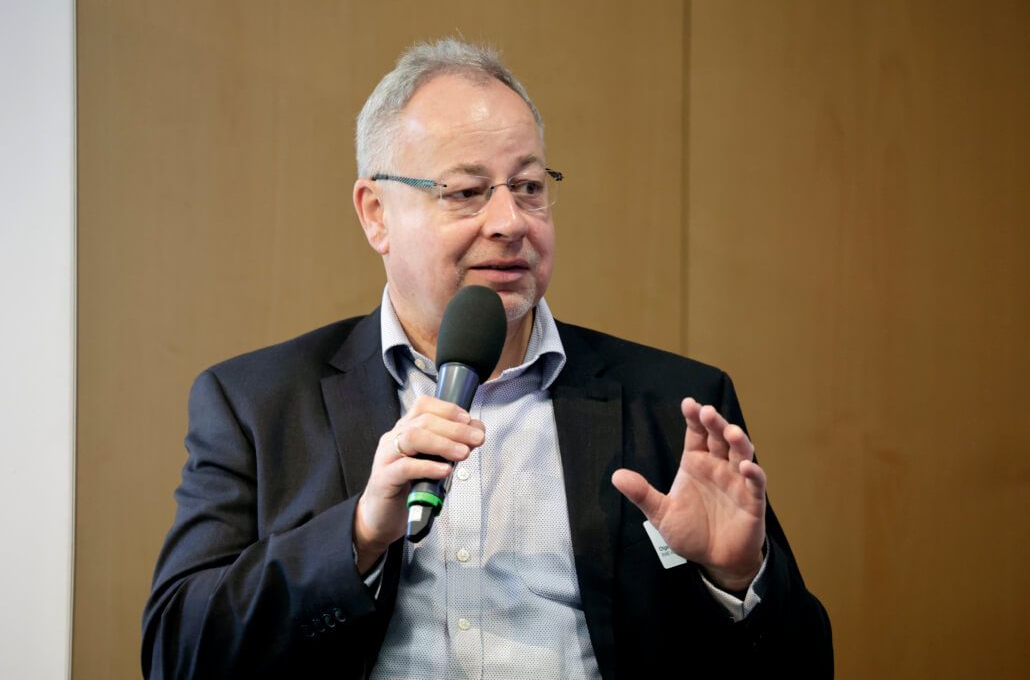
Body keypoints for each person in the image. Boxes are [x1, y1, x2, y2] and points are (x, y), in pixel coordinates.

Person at [142, 39, 832, 679]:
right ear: (376, 213)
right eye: (466, 192)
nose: (510, 222)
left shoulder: (675, 407)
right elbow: (177, 651)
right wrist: (357, 535)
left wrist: (739, 581)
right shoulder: (258, 403)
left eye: (528, 187)